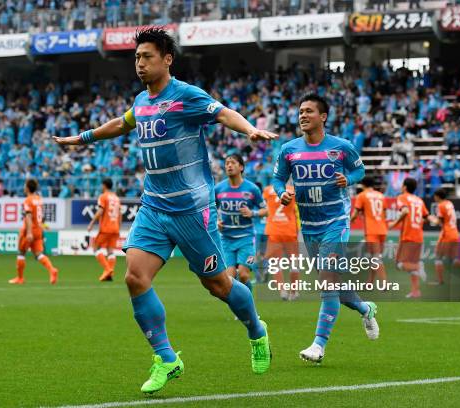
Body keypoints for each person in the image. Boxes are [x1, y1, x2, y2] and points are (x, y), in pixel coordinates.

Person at [54, 27, 275, 394]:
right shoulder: (141, 101)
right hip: (154, 206)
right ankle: (168, 359)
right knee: (134, 278)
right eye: (137, 57)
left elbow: (222, 113)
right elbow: (122, 123)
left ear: (167, 59)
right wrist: (85, 137)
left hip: (192, 211)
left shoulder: (186, 96)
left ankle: (256, 330)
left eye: (147, 57)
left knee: (218, 285)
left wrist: (249, 129)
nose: (139, 64)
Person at [273, 93, 378, 364]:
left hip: (336, 223)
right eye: (300, 111)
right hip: (309, 226)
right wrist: (280, 193)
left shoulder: (341, 147)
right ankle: (366, 309)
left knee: (327, 283)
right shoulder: (289, 150)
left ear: (323, 117)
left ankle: (318, 345)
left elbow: (360, 171)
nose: (303, 115)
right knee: (336, 289)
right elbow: (278, 178)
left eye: (309, 111)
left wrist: (348, 179)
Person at [215, 154, 267, 293]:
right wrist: (215, 222)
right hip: (226, 240)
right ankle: (241, 311)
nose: (229, 166)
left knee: (243, 275)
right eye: (226, 163)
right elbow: (210, 210)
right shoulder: (218, 189)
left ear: (241, 167)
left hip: (246, 238)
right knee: (228, 280)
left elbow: (265, 210)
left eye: (232, 162)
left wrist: (252, 213)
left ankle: (249, 306)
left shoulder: (251, 189)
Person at [9, 178, 58, 285]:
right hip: (38, 230)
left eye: (24, 185)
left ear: (27, 188)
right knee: (38, 254)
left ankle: (20, 278)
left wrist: (29, 232)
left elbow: (29, 216)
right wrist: (44, 225)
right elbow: (39, 215)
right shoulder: (39, 199)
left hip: (29, 230)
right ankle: (52, 270)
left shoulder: (28, 200)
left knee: (21, 253)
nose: (23, 187)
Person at [388, 178, 428, 298]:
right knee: (411, 262)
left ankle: (418, 267)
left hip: (408, 235)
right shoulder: (419, 200)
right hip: (418, 234)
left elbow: (405, 211)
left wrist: (394, 223)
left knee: (400, 264)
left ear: (404, 187)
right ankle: (416, 291)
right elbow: (426, 217)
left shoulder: (402, 197)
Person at [263, 182, 300, 300]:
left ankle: (282, 291)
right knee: (294, 263)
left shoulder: (268, 190)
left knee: (275, 263)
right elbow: (297, 211)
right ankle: (293, 292)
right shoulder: (293, 190)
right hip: (290, 229)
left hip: (274, 229)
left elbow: (263, 207)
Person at [427, 188, 460, 285]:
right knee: (453, 259)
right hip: (454, 232)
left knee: (438, 257)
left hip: (447, 234)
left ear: (438, 197)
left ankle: (440, 281)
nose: (434, 198)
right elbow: (445, 220)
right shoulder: (449, 203)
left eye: (435, 196)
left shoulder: (441, 205)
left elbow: (438, 222)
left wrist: (430, 218)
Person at [351, 176, 388, 284]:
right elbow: (384, 214)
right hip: (382, 229)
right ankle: (370, 282)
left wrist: (349, 221)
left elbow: (355, 213)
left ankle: (384, 283)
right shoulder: (381, 196)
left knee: (375, 257)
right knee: (375, 256)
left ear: (363, 185)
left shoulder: (362, 196)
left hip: (372, 230)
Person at [87, 178, 121, 281]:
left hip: (106, 228)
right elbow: (120, 214)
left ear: (104, 185)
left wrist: (91, 223)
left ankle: (107, 270)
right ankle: (109, 274)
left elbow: (100, 211)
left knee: (95, 248)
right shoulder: (116, 198)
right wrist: (118, 227)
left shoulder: (103, 196)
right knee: (110, 251)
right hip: (115, 228)